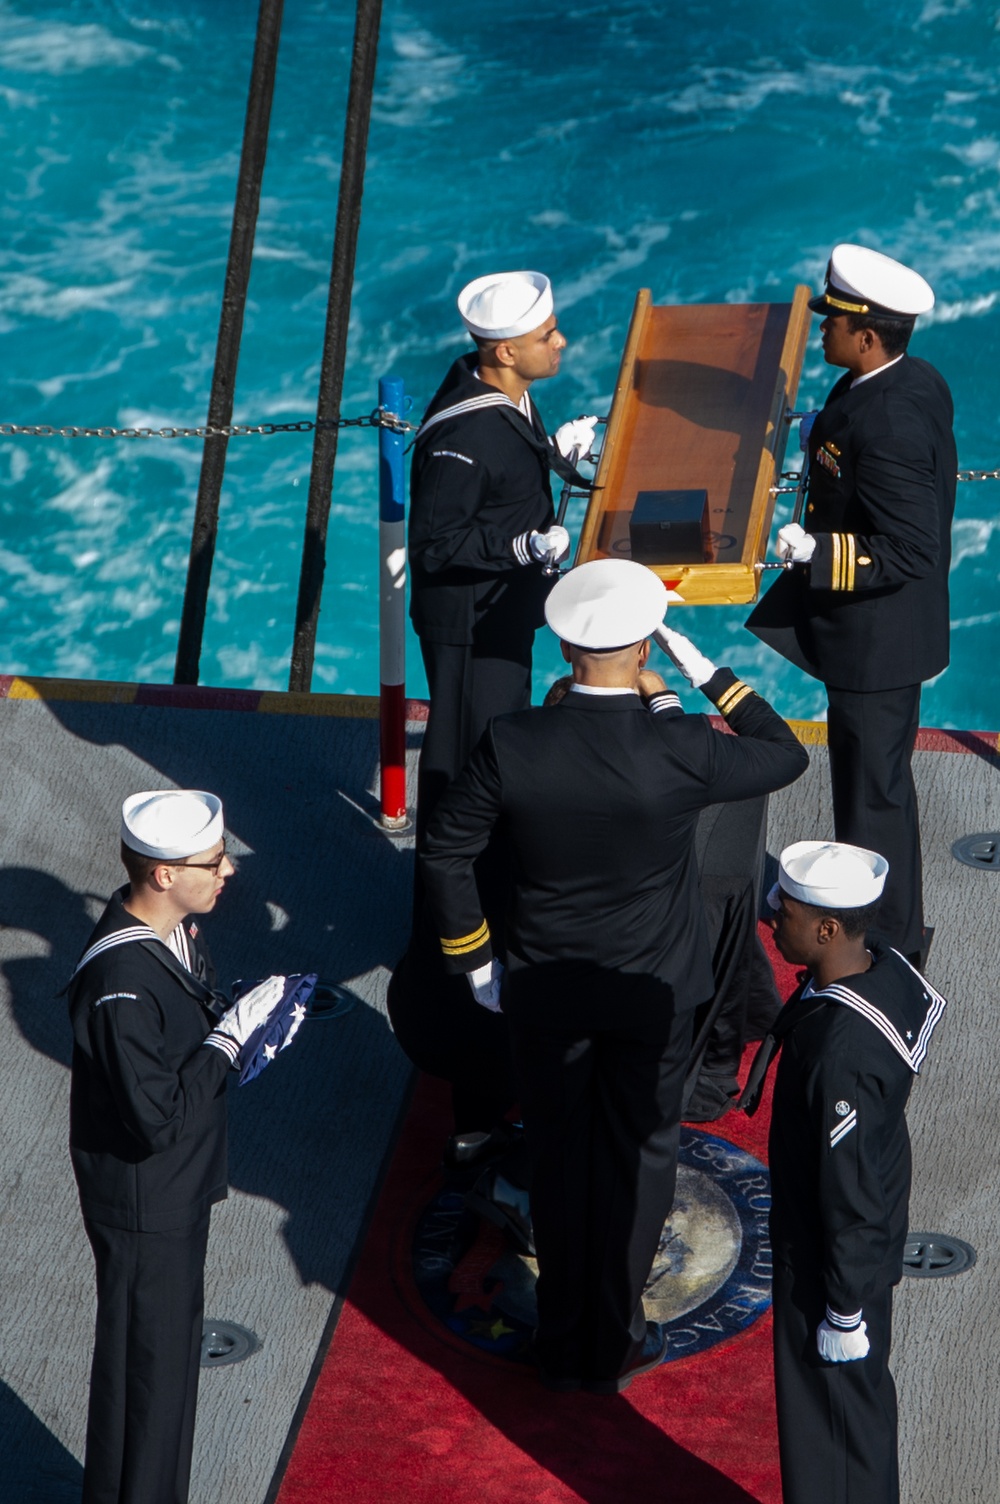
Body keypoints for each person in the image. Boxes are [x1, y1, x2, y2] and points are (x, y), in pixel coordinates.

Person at [420, 558, 808, 1394]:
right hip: (654, 991)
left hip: (544, 988)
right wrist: (699, 675)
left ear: (564, 644)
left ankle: (563, 1338)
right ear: (641, 648)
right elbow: (783, 754)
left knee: (561, 1156)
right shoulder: (682, 746)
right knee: (641, 1154)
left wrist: (476, 960)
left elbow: (445, 850)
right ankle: (616, 1334)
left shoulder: (515, 741)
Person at [68, 789, 292, 1504]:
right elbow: (157, 1116)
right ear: (163, 875)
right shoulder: (121, 986)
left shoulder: (175, 932)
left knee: (163, 1376)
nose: (227, 870)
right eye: (212, 861)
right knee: (147, 1382)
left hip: (171, 1192)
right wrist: (228, 1041)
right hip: (145, 1205)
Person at [746, 243, 956, 964]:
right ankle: (887, 934)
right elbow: (855, 438)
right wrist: (819, 432)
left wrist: (819, 554)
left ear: (866, 336)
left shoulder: (890, 424)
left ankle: (886, 956)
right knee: (875, 790)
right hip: (881, 634)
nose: (821, 329)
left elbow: (912, 547)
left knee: (872, 804)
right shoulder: (902, 381)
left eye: (832, 322)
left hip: (876, 642)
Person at [747, 840, 946, 1504]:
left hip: (833, 1265)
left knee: (830, 1432)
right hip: (860, 1243)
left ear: (828, 929)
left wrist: (843, 1310)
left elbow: (849, 1188)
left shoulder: (843, 1054)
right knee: (855, 1420)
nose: (773, 914)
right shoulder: (877, 963)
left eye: (789, 909)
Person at [408, 268, 594, 835]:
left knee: (496, 747)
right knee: (466, 764)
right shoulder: (462, 436)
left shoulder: (509, 394)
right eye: (547, 336)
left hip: (500, 610)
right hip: (470, 625)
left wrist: (555, 458)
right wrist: (525, 544)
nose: (560, 342)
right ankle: (447, 911)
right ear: (507, 351)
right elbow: (434, 544)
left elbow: (503, 476)